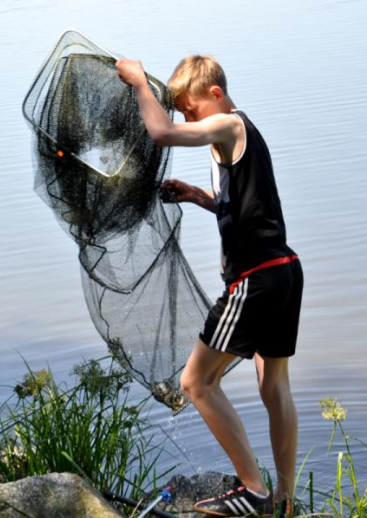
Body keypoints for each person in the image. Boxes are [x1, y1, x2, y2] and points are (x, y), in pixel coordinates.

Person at [117, 56, 303, 516]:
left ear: (215, 95)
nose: (186, 120)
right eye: (180, 112)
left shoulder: (228, 125)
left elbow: (161, 134)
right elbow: (243, 208)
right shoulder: (240, 137)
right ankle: (283, 497)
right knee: (273, 387)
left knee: (196, 382)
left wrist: (140, 82)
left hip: (255, 280)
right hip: (284, 270)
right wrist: (201, 197)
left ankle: (253, 490)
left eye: (189, 109)